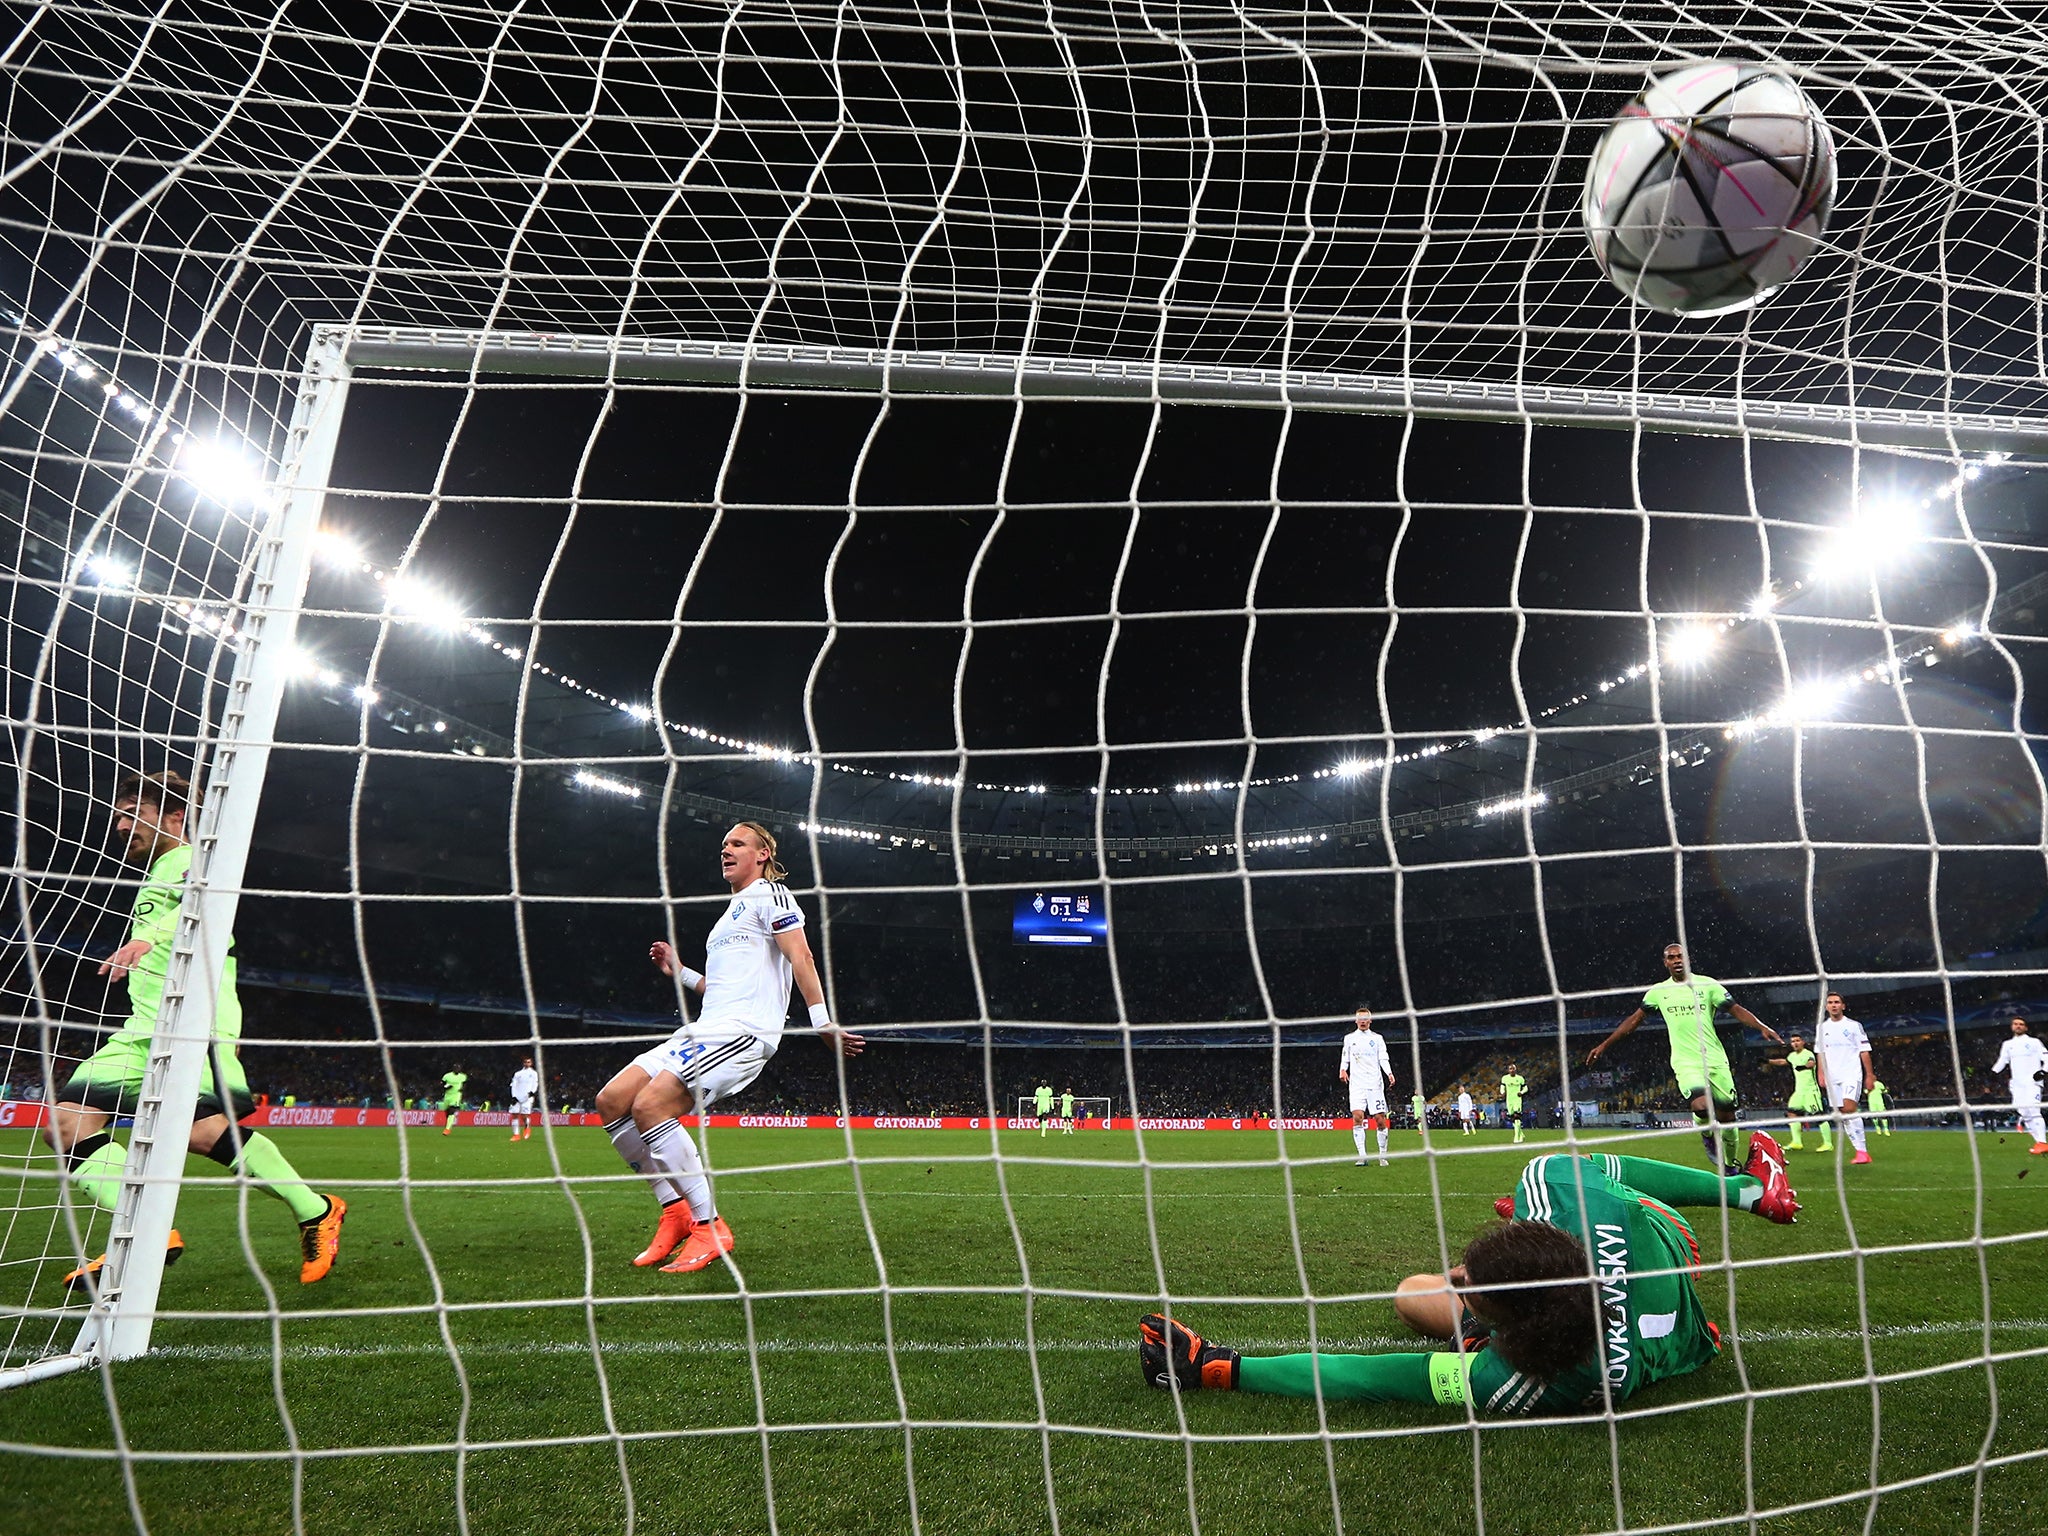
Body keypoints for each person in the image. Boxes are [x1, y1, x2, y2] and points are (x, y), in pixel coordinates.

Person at [1141, 1135, 1801, 1413]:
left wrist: (1224, 1368)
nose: (1460, 1275)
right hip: (1667, 1299)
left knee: (1409, 1294)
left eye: (1470, 1285)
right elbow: (1622, 1177)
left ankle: (1744, 1192)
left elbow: (1373, 1375)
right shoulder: (1567, 1193)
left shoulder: (1518, 1382)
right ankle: (1749, 1190)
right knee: (1418, 1291)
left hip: (1673, 1289)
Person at [45, 771, 345, 1288]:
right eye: (117, 815)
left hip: (192, 1024)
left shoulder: (191, 861)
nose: (120, 825)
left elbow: (205, 908)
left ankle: (315, 1210)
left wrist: (148, 939)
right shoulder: (158, 870)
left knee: (198, 1132)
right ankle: (142, 1232)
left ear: (175, 816)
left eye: (131, 812)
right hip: (142, 1030)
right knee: (67, 1124)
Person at [594, 822, 863, 1273]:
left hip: (743, 1032)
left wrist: (823, 1021)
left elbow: (802, 956)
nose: (726, 850)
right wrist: (678, 970)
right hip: (708, 1025)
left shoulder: (771, 896)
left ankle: (709, 1225)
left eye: (737, 844)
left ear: (762, 855)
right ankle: (674, 1211)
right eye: (723, 846)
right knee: (612, 1101)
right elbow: (718, 989)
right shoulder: (726, 919)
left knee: (652, 1105)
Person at [1586, 943, 1784, 1174]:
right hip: (1685, 1060)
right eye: (1672, 957)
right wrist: (1604, 1044)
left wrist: (1760, 1026)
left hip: (1715, 1059)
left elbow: (1735, 1009)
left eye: (1681, 956)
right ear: (1666, 962)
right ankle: (1708, 1133)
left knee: (1728, 1116)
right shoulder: (1659, 992)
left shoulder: (1707, 985)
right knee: (1701, 1106)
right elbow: (1634, 1020)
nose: (1677, 960)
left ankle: (1729, 1166)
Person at [1815, 992, 1874, 1165]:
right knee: (1842, 1113)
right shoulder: (1822, 1028)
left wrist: (1869, 1074)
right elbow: (1821, 1053)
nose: (1833, 1005)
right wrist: (1820, 1073)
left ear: (1843, 1006)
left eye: (1837, 1002)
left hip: (1851, 1074)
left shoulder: (1854, 1026)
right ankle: (1860, 1152)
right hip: (1832, 1076)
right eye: (1830, 1002)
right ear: (1826, 1007)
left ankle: (1862, 1151)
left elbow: (1864, 1051)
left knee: (1849, 1109)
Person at [1339, 1007, 1396, 1166]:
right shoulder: (1349, 1038)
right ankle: (1362, 1156)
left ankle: (1382, 1155)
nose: (1363, 1021)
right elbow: (1345, 1056)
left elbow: (1383, 1058)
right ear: (1356, 1021)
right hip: (1357, 1084)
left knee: (1379, 1120)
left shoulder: (1377, 1038)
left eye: (1366, 1019)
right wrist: (1342, 1070)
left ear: (1370, 1021)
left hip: (1374, 1084)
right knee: (1357, 1117)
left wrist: (1389, 1073)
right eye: (1360, 1018)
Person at [1990, 1018, 2048, 1154]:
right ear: (2011, 1027)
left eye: (2021, 1024)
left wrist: (2043, 1072)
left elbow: (2047, 1057)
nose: (2018, 1026)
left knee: (2033, 1110)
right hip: (2016, 1084)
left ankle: (2043, 1142)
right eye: (2016, 1024)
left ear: (2026, 1028)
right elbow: (2002, 1061)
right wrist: (1993, 1072)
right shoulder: (2007, 1044)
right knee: (2024, 1113)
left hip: (2032, 1083)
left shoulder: (2034, 1042)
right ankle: (2040, 1143)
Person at [1765, 1034, 1829, 1152]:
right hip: (1799, 1092)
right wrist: (1768, 1061)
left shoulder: (1808, 1054)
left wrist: (1803, 1067)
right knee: (1792, 1113)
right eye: (1793, 1041)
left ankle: (1828, 1143)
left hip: (1811, 1091)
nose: (1795, 1043)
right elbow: (1782, 1062)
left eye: (1797, 1041)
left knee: (1818, 1116)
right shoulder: (1792, 1056)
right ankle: (1796, 1142)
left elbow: (1811, 1063)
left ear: (1803, 1042)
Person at [509, 1056, 539, 1142]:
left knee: (524, 1115)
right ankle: (516, 1135)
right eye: (526, 1062)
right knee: (514, 1114)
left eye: (529, 1062)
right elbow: (513, 1085)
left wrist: (532, 1092)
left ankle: (527, 1126)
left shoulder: (534, 1073)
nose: (527, 1064)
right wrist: (513, 1096)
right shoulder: (517, 1074)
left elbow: (535, 1084)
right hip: (517, 1097)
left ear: (531, 1063)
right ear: (523, 1063)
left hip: (527, 1097)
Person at [1500, 1064, 1528, 1145]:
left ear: (1516, 1070)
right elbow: (1502, 1087)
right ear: (1508, 1070)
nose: (1512, 1070)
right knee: (1512, 1118)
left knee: (1517, 1117)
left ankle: (1517, 1137)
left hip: (1517, 1100)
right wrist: (1502, 1092)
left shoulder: (1520, 1078)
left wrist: (1521, 1092)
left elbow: (1525, 1088)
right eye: (1510, 1069)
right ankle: (1521, 1134)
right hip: (1509, 1100)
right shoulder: (1505, 1078)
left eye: (1513, 1069)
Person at [439, 1066, 467, 1136]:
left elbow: (465, 1084)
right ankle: (448, 1124)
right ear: (453, 1069)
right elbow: (441, 1084)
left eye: (459, 1068)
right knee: (447, 1112)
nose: (458, 1069)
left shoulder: (463, 1076)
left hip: (456, 1096)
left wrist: (463, 1089)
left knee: (452, 1111)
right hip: (447, 1096)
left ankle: (447, 1129)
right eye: (456, 1068)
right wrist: (446, 1087)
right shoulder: (447, 1076)